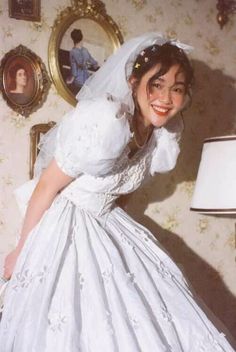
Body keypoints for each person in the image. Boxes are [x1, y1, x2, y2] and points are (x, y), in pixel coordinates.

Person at [0, 33, 235, 351]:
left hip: (108, 223)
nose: (166, 98)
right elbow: (47, 185)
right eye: (157, 84)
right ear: (134, 82)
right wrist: (22, 251)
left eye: (177, 89)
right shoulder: (104, 121)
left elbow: (119, 191)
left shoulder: (160, 136)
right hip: (65, 228)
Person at [67, 28, 99, 94]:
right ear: (81, 38)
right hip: (86, 80)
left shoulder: (72, 52)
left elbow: (74, 71)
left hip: (78, 82)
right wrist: (95, 65)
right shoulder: (85, 50)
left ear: (73, 39)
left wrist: (70, 80)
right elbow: (93, 62)